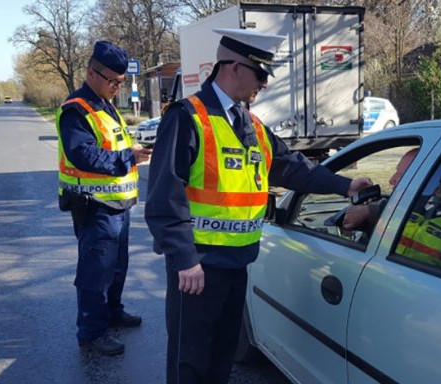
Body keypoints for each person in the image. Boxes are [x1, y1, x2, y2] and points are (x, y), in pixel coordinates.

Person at [145, 28, 372, 384]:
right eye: (260, 73)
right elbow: (163, 196)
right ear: (234, 68)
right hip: (198, 269)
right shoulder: (188, 118)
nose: (264, 84)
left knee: (221, 359)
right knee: (190, 363)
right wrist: (183, 258)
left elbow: (293, 168)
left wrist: (345, 185)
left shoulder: (251, 124)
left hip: (237, 264)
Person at [56, 40, 152, 356]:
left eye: (120, 82)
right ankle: (91, 333)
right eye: (112, 81)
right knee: (95, 272)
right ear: (91, 73)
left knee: (117, 267)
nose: (116, 87)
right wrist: (129, 158)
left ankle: (112, 312)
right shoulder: (77, 109)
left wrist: (133, 153)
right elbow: (82, 154)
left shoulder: (104, 105)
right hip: (93, 206)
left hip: (118, 206)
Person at [340, 148, 441, 276]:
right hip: (377, 276)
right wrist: (367, 214)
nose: (391, 181)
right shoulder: (400, 203)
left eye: (402, 175)